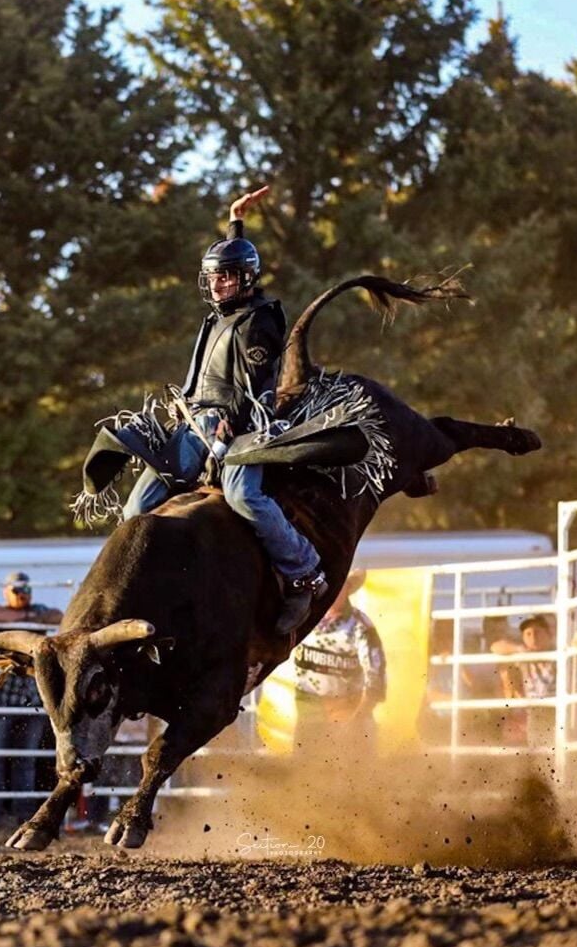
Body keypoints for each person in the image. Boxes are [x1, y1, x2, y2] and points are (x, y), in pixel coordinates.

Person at [123, 185, 327, 634]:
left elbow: (250, 385)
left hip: (241, 425)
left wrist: (227, 426)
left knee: (243, 495)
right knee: (135, 509)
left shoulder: (261, 319)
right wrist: (235, 222)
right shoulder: (218, 314)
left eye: (226, 276)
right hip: (194, 422)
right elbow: (236, 255)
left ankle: (304, 572)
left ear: (246, 278)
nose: (216, 284)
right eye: (213, 276)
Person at [0, 571, 63, 826]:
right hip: (0, 697)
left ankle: (23, 812)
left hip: (31, 699)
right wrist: (31, 622)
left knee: (25, 758)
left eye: (25, 590)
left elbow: (59, 616)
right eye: (16, 590)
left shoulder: (39, 611)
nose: (21, 595)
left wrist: (29, 619)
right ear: (6, 591)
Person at [291, 569, 386, 759]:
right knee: (306, 769)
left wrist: (358, 712)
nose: (333, 593)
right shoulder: (301, 619)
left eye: (339, 586)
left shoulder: (360, 625)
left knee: (355, 770)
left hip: (350, 709)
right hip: (310, 709)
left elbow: (376, 675)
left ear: (347, 589)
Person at [491, 614, 556, 749]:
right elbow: (495, 647)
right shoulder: (523, 657)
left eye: (537, 632)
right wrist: (519, 649)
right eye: (528, 634)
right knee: (538, 750)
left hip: (556, 710)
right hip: (535, 712)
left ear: (548, 635)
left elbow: (576, 644)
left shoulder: (558, 655)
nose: (533, 638)